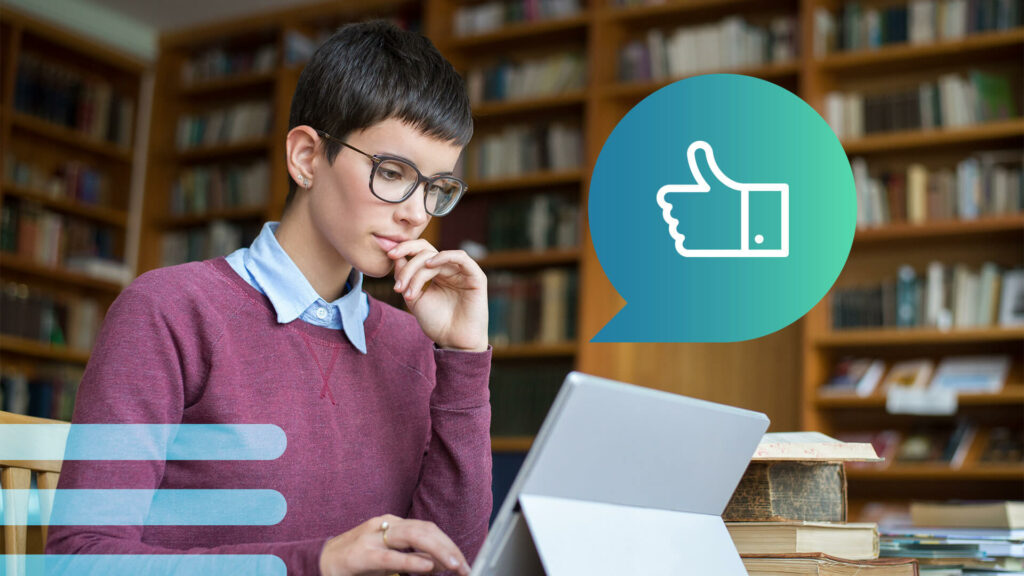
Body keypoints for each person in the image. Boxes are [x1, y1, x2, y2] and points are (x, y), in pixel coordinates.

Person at [47, 20, 491, 576]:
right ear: (306, 157)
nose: (416, 212)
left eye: (436, 187)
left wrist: (464, 359)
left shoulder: (411, 345)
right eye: (393, 172)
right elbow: (75, 560)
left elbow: (448, 560)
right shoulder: (170, 310)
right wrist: (317, 563)